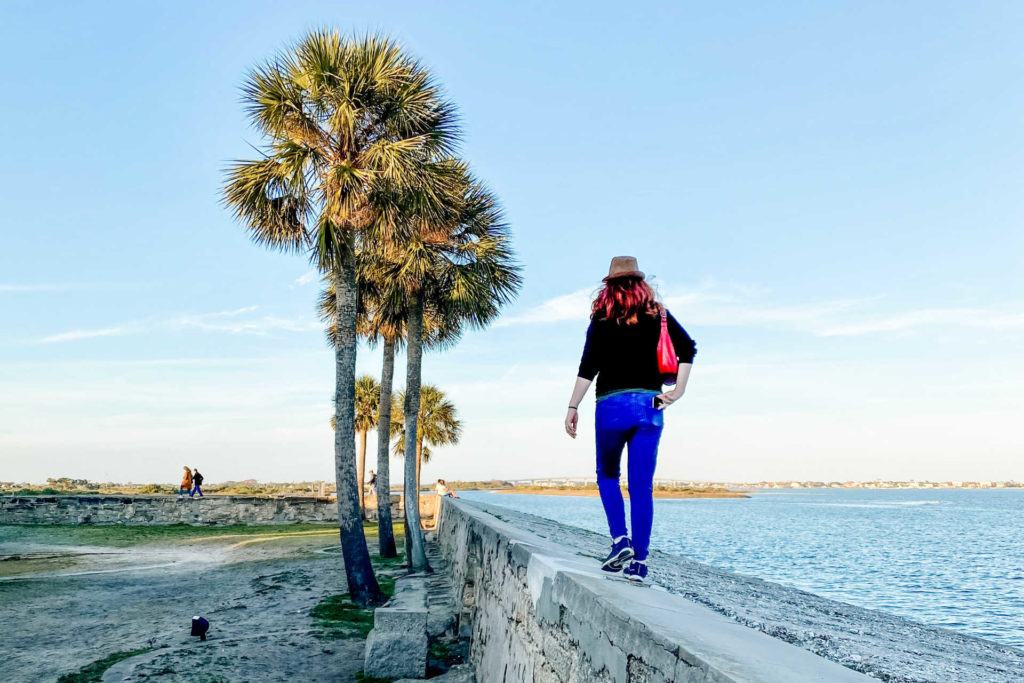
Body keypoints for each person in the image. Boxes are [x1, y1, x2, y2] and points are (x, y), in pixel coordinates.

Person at [564, 256, 696, 583]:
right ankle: (639, 563)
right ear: (640, 283)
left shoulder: (601, 318)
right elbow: (688, 349)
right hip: (650, 406)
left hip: (611, 407)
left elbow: (587, 368)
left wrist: (572, 407)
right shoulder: (658, 314)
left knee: (607, 476)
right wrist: (677, 392)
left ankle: (619, 540)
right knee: (641, 488)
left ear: (607, 286)